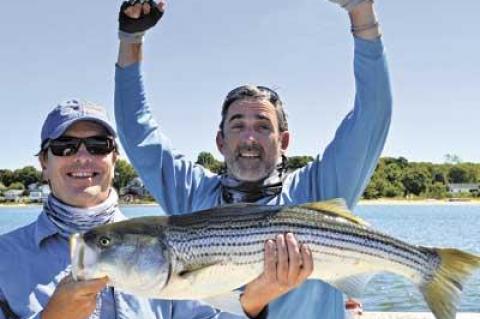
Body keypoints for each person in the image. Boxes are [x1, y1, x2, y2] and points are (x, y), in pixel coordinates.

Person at [114, 0, 392, 317]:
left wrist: (361, 12)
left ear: (283, 140)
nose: (249, 138)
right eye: (237, 126)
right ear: (220, 141)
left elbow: (372, 115)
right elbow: (138, 133)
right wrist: (131, 40)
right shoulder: (191, 193)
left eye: (263, 126)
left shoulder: (318, 188)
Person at [0, 100, 312, 319]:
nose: (83, 157)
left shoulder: (166, 243)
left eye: (98, 146)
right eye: (65, 146)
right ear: (43, 161)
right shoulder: (5, 257)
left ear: (114, 158)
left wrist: (255, 300)